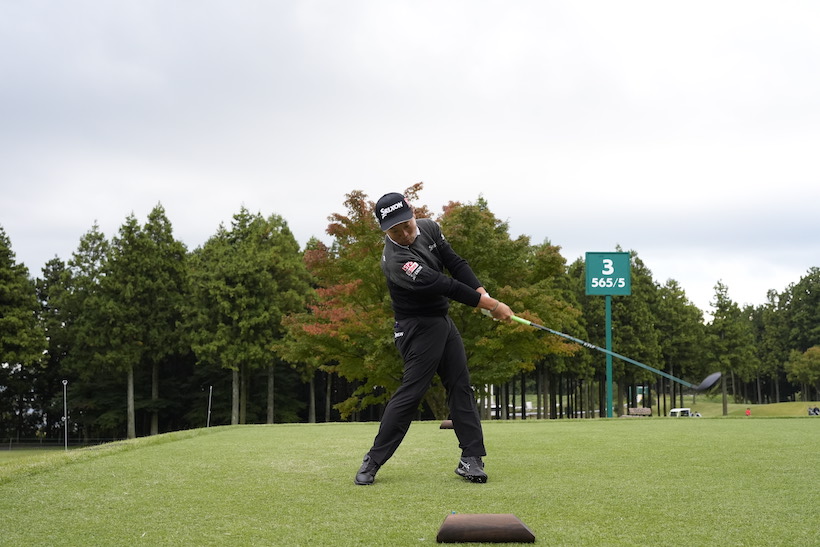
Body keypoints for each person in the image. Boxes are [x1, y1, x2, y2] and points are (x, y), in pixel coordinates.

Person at [354, 192, 514, 486]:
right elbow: (445, 285)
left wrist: (482, 293)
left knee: (461, 386)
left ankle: (471, 458)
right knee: (412, 393)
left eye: (406, 225)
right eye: (395, 231)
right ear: (384, 231)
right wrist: (492, 306)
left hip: (442, 321)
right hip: (416, 327)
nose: (404, 234)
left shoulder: (429, 228)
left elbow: (455, 263)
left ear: (413, 214)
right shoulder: (397, 261)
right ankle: (373, 460)